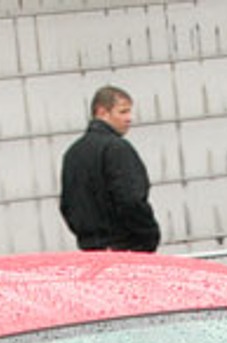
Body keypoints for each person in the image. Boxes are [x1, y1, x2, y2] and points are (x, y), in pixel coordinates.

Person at [59, 86, 161, 252]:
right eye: (123, 112)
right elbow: (131, 199)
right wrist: (148, 237)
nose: (129, 118)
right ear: (102, 112)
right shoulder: (117, 149)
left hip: (90, 249)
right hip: (126, 248)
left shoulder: (73, 153)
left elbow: (67, 204)